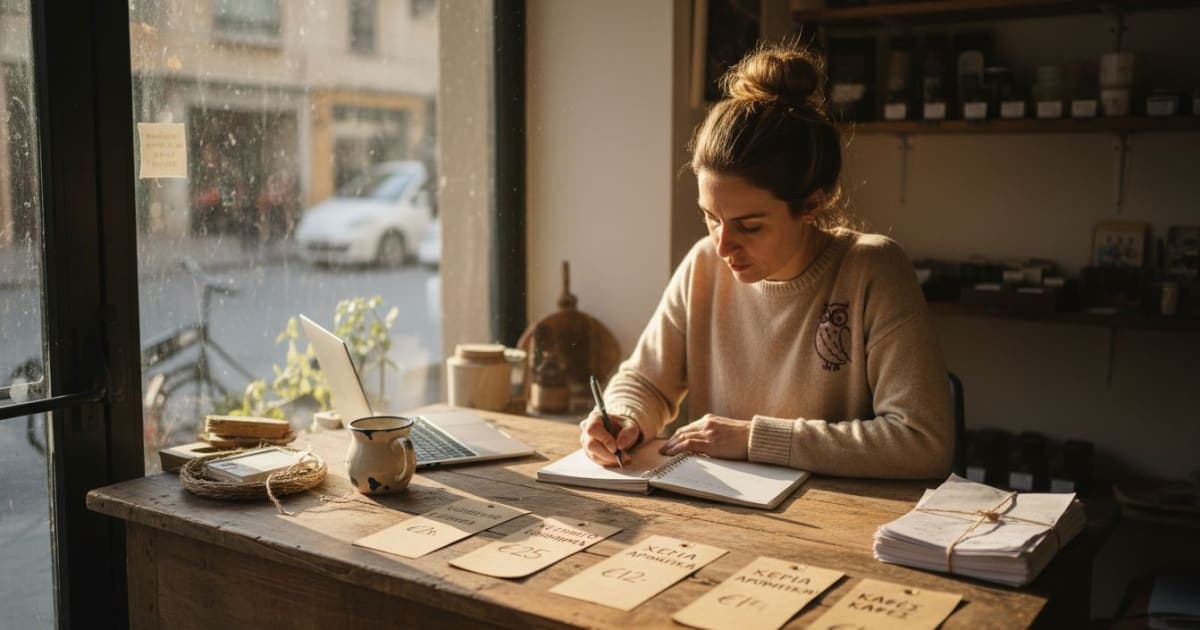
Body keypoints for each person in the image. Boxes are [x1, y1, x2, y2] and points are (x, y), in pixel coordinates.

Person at [578, 42, 953, 479]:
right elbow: (644, 382)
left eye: (749, 226)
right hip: (729, 515)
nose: (723, 246)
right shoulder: (704, 265)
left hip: (837, 521)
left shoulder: (872, 270)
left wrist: (756, 439)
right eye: (710, 218)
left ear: (812, 204)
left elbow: (923, 441)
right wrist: (623, 418)